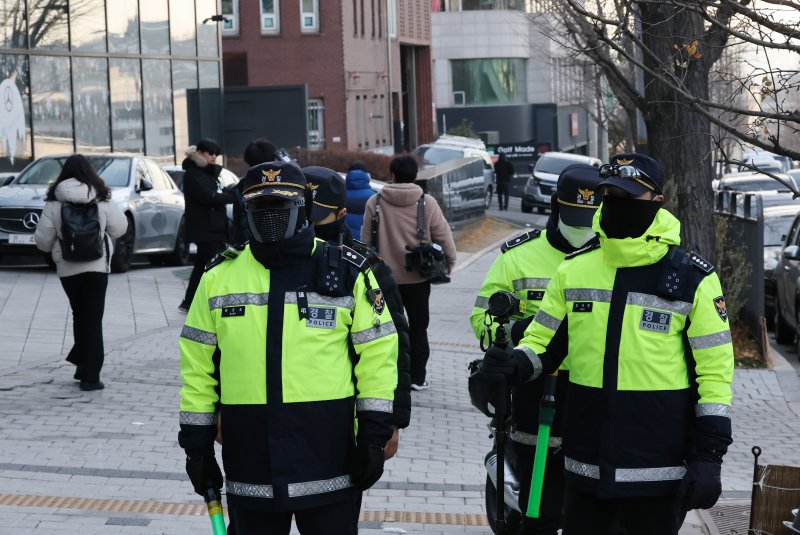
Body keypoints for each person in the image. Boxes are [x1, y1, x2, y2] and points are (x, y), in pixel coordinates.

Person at [474, 153, 734, 535]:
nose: (616, 204)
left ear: (656, 201)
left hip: (657, 471)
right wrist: (513, 365)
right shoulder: (576, 268)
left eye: (629, 196)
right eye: (609, 194)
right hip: (585, 467)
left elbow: (714, 374)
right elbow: (542, 345)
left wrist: (710, 455)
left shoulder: (692, 277)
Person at [178, 161, 398, 535]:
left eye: (281, 208)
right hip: (251, 459)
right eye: (259, 209)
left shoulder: (348, 272)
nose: (270, 217)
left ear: (305, 208)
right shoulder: (218, 277)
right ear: (245, 213)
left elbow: (378, 359)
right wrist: (197, 447)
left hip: (328, 458)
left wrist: (374, 437)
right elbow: (197, 368)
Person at [469, 164, 603, 534]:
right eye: (575, 216)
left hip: (594, 393)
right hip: (534, 392)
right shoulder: (517, 256)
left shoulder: (613, 258)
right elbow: (482, 320)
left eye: (591, 217)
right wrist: (519, 329)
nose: (582, 226)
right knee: (534, 508)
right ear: (556, 208)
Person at [302, 165, 412, 521]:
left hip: (346, 426)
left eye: (316, 217)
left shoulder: (368, 268)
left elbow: (395, 346)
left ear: (341, 215)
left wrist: (393, 420)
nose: (306, 225)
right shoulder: (274, 264)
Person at [361, 155, 457, 391]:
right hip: (418, 277)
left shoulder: (375, 202)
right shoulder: (426, 202)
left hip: (383, 278)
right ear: (415, 176)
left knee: (388, 328)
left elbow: (364, 241)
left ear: (392, 175)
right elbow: (443, 235)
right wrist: (451, 260)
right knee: (418, 328)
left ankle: (393, 375)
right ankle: (417, 377)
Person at [34, 154, 128, 391]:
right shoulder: (102, 196)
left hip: (68, 268)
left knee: (80, 315)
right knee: (93, 320)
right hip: (97, 267)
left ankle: (81, 365)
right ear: (90, 172)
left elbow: (43, 241)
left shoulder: (54, 200)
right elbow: (119, 229)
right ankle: (91, 377)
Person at [179, 139, 236, 312]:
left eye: (216, 154)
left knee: (205, 265)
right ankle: (192, 302)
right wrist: (231, 196)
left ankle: (191, 301)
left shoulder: (208, 173)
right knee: (208, 265)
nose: (213, 156)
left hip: (215, 227)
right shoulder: (193, 174)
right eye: (210, 153)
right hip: (205, 229)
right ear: (200, 152)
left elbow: (215, 194)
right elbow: (208, 196)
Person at [230, 138, 280, 244]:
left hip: (250, 243)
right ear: (273, 158)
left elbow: (237, 224)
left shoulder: (241, 186)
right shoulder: (283, 183)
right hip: (281, 241)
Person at [344, 161, 375, 240]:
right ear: (367, 175)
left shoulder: (340, 195)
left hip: (345, 243)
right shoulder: (375, 197)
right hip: (367, 245)